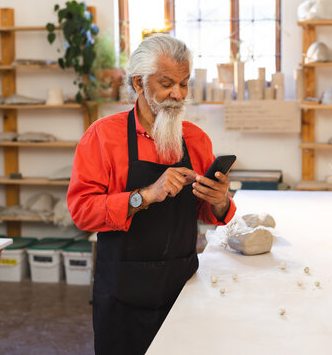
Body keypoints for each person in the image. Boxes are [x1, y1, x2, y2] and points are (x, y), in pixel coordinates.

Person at [67, 34, 236, 355]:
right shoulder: (103, 136)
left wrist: (219, 200)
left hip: (182, 288)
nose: (177, 94)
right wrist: (144, 195)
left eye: (185, 84)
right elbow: (81, 212)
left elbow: (207, 211)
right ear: (139, 83)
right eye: (167, 83)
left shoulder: (195, 139)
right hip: (122, 295)